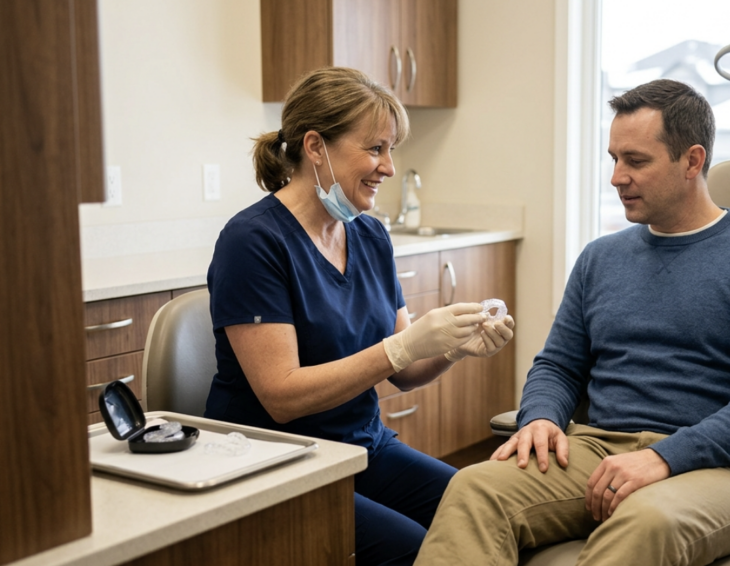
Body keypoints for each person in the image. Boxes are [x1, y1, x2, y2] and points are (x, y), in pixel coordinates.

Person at [413, 79, 730, 566]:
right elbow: (558, 365)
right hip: (599, 450)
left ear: (692, 161)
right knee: (473, 487)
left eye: (637, 161)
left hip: (727, 469)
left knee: (649, 519)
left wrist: (666, 457)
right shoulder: (600, 258)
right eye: (614, 159)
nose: (617, 177)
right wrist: (540, 416)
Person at [205, 67, 516, 566]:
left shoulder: (370, 236)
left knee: (482, 508)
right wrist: (404, 346)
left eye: (391, 149)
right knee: (408, 547)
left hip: (361, 445)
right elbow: (282, 397)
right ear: (315, 147)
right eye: (375, 148)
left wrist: (451, 349)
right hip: (274, 460)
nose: (389, 167)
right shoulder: (253, 242)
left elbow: (406, 371)